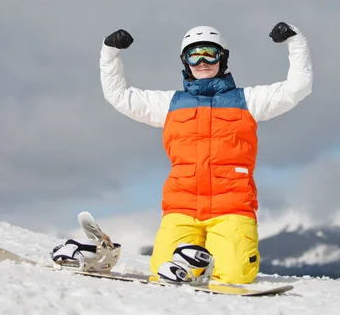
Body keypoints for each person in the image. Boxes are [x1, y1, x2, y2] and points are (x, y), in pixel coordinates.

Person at [99, 22, 313, 284]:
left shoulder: (248, 101)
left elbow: (298, 87)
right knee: (162, 271)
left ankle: (205, 263)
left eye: (209, 54)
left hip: (231, 209)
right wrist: (110, 52)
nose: (202, 62)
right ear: (185, 61)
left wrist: (296, 40)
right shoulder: (171, 105)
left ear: (222, 58)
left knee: (235, 275)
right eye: (194, 55)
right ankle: (194, 264)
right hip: (182, 207)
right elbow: (120, 96)